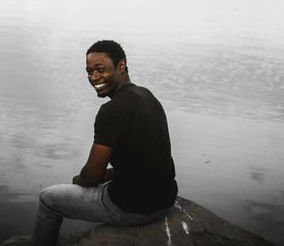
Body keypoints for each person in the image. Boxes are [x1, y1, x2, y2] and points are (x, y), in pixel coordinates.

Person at [31, 40, 177, 246]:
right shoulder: (147, 96)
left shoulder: (112, 111)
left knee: (48, 199)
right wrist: (108, 175)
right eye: (89, 71)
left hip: (133, 209)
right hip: (166, 199)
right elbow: (147, 159)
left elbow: (91, 175)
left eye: (101, 70)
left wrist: (81, 180)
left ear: (121, 66)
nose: (93, 77)